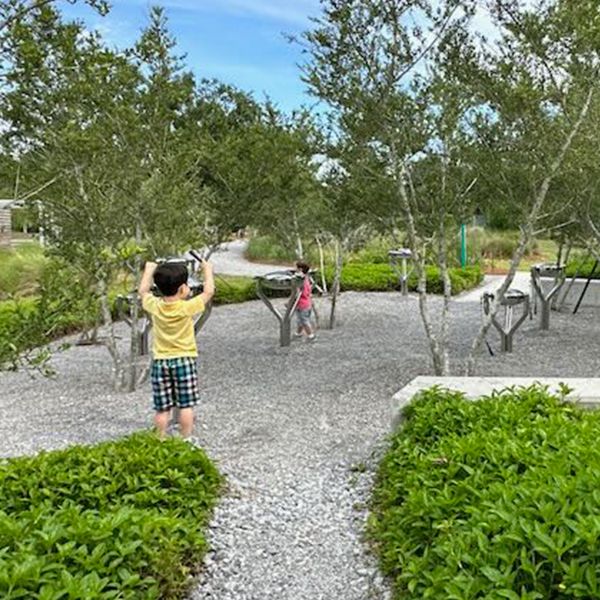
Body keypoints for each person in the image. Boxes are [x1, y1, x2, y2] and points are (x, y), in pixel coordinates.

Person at [138, 258, 214, 442]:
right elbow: (209, 291)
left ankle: (160, 438)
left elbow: (143, 291)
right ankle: (185, 439)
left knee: (162, 408)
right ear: (182, 289)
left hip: (161, 361)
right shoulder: (186, 307)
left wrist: (149, 269)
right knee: (186, 405)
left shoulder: (155, 306)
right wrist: (207, 270)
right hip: (184, 360)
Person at [294, 261, 315, 341]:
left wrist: (297, 291)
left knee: (304, 320)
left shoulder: (301, 281)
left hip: (303, 305)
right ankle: (298, 333)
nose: (294, 269)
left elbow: (303, 293)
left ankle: (311, 335)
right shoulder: (306, 278)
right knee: (300, 320)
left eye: (295, 267)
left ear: (300, 269)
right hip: (305, 304)